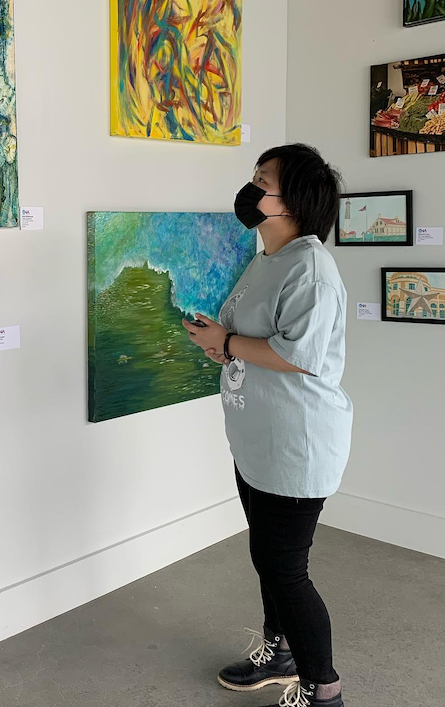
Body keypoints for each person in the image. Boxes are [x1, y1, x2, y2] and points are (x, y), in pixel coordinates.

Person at [182, 144, 353, 707]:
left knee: (286, 570)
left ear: (296, 199)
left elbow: (296, 354)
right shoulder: (267, 257)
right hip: (257, 441)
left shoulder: (311, 268)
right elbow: (248, 335)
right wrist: (220, 342)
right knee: (267, 557)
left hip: (295, 446)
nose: (251, 188)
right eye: (253, 176)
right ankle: (279, 652)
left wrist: (227, 342)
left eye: (263, 180)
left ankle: (322, 689)